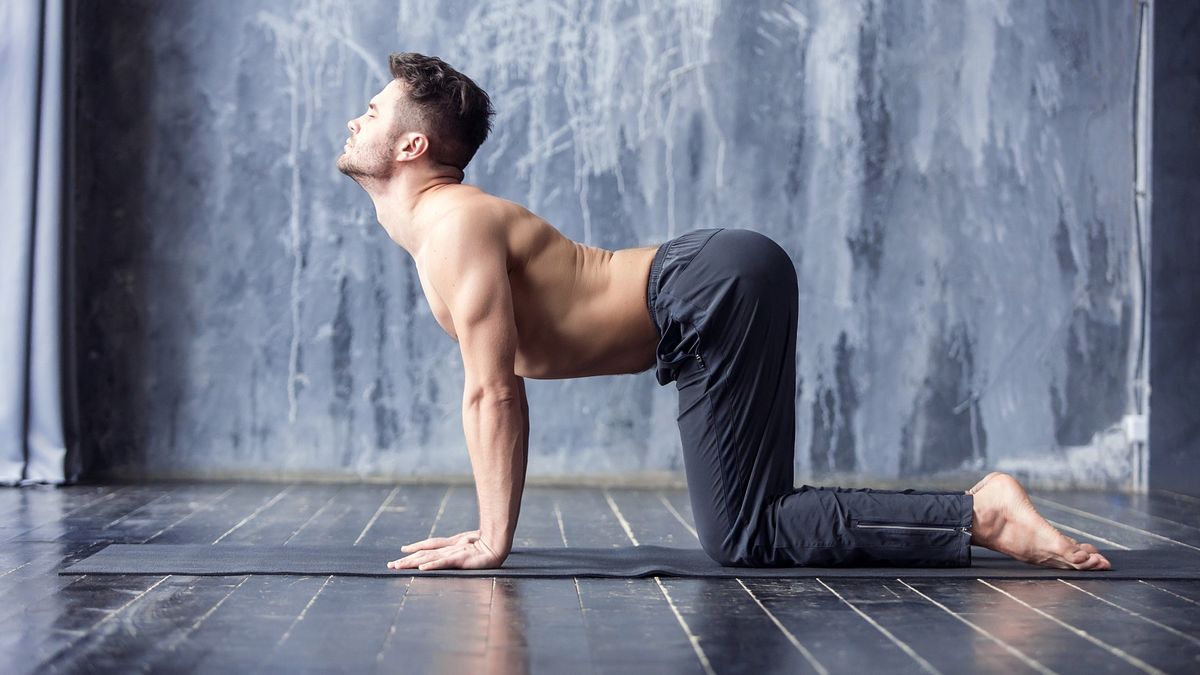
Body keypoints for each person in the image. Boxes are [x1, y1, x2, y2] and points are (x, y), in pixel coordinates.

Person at [337, 52, 1111, 573]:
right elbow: (498, 386)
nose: (354, 121)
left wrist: (493, 539)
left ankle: (982, 514)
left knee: (745, 536)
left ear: (411, 144)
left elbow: (493, 390)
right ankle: (977, 512)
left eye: (371, 112)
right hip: (715, 287)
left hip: (705, 291)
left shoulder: (454, 224)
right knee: (755, 522)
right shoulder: (441, 227)